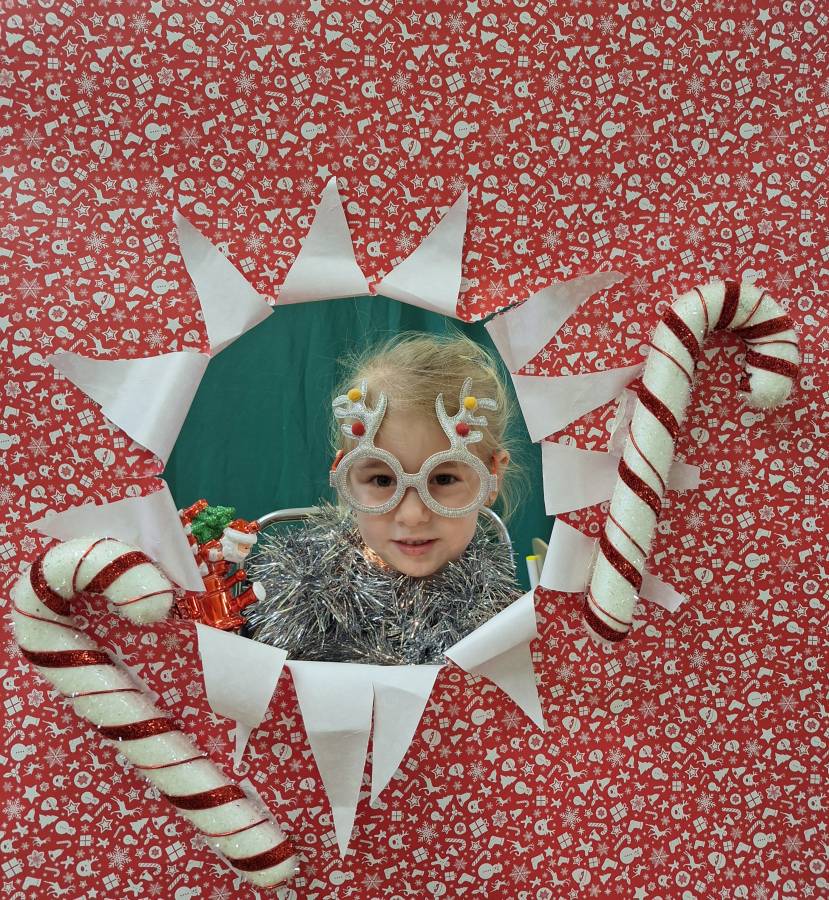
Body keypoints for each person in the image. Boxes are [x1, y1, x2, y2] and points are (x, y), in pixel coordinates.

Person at [242, 330, 526, 665]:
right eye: (382, 480)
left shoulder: (511, 628)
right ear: (344, 476)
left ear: (492, 477)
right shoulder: (292, 607)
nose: (412, 515)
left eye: (444, 478)